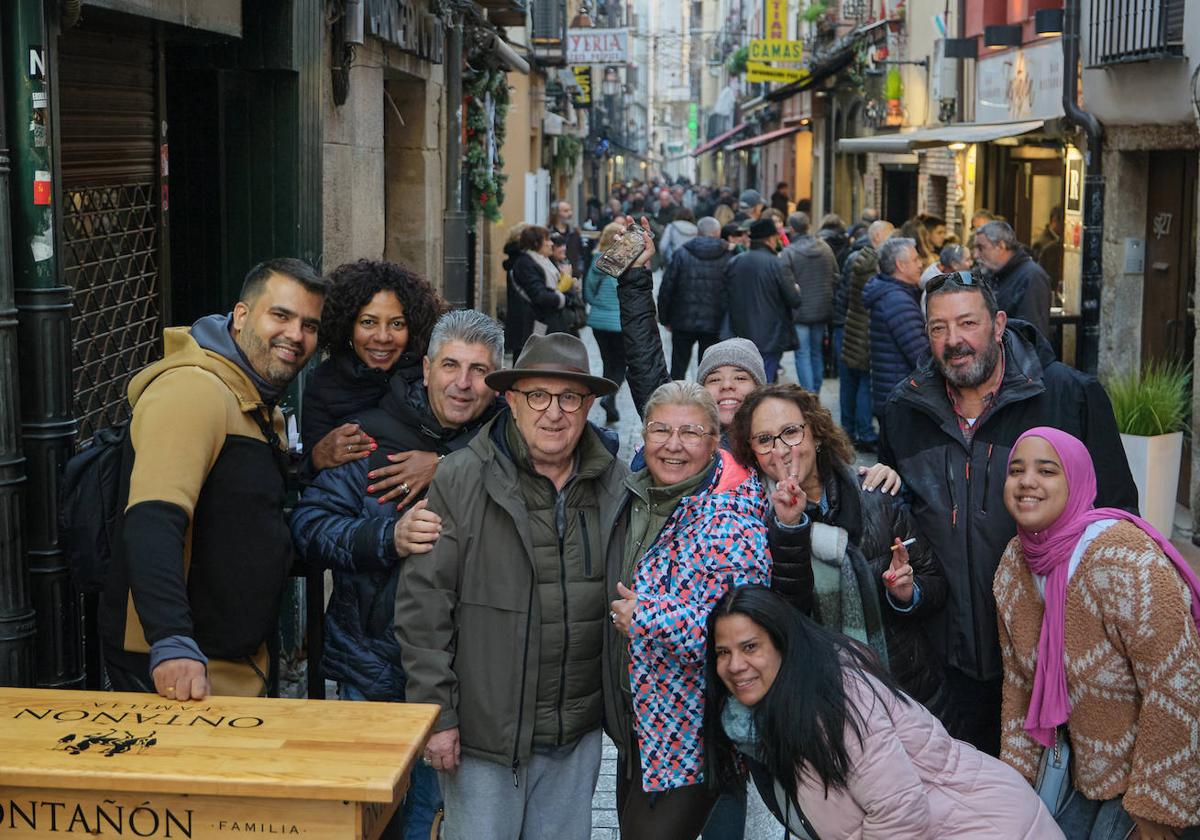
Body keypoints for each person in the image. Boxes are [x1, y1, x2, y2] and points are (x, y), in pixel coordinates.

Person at [879, 272, 1137, 755]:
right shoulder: (904, 409)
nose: (953, 341)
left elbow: (1117, 518)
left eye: (967, 323)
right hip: (949, 661)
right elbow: (903, 522)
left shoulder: (1068, 397)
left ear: (998, 324)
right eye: (938, 328)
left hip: (1050, 659)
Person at [394, 332, 627, 840]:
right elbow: (423, 609)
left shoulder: (615, 483)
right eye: (538, 396)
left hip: (575, 733)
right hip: (484, 738)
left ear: (589, 406)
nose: (554, 413)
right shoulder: (461, 478)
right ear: (513, 402)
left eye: (570, 398)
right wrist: (438, 716)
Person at [290, 310, 505, 840]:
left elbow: (598, 445)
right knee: (368, 823)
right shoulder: (369, 438)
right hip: (373, 668)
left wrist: (448, 460)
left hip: (468, 682)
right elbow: (310, 526)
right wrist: (386, 538)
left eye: (479, 370)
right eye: (451, 365)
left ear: (498, 380)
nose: (462, 382)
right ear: (427, 367)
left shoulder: (512, 441)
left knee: (436, 820)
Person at [100, 258, 327, 700]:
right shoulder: (193, 391)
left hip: (233, 665)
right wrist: (171, 642)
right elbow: (152, 519)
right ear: (241, 317)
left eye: (310, 325)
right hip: (181, 675)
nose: (296, 335)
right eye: (280, 315)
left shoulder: (254, 400)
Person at [703, 585, 1066, 840]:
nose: (735, 665)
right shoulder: (763, 719)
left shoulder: (834, 698)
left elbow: (899, 812)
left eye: (750, 647)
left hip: (986, 827)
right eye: (723, 652)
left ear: (783, 644)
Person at [995, 428, 1200, 839]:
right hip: (1073, 767)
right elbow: (1018, 683)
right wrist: (1010, 786)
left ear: (1077, 481)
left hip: (1145, 775)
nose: (1027, 481)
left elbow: (1178, 678)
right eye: (1016, 470)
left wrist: (1155, 808)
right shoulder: (1015, 565)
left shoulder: (1122, 557)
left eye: (1047, 470)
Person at [606, 381, 771, 839]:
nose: (673, 446)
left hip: (689, 737)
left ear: (715, 442)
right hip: (636, 727)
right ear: (643, 436)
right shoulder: (632, 496)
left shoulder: (731, 520)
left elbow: (747, 634)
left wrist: (648, 616)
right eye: (661, 430)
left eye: (691, 433)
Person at [727, 384, 944, 705]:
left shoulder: (875, 496)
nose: (781, 450)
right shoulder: (749, 523)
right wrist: (789, 528)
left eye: (791, 432)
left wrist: (908, 593)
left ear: (816, 434)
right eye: (764, 440)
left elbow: (935, 583)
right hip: (821, 702)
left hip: (906, 691)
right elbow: (784, 623)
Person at [300, 260, 446, 506]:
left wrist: (442, 462)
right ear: (348, 325)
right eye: (368, 322)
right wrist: (317, 456)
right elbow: (310, 481)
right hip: (359, 518)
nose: (382, 337)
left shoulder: (432, 374)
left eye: (397, 324)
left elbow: (487, 435)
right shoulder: (324, 384)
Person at [723, 218, 801, 383]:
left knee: (746, 380)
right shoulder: (777, 264)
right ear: (770, 239)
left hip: (740, 334)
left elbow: (725, 296)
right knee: (764, 383)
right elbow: (794, 299)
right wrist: (796, 290)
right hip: (770, 336)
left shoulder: (735, 262)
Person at [840, 220, 893, 451]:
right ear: (879, 236)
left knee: (851, 383)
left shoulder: (856, 259)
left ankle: (847, 429)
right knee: (865, 382)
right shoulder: (877, 265)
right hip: (866, 330)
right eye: (891, 235)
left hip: (853, 327)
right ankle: (865, 432)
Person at [862, 237, 929, 420]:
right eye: (915, 259)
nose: (920, 264)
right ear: (901, 265)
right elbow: (921, 356)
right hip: (900, 399)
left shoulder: (893, 294)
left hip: (892, 394)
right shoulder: (897, 301)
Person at [658, 216, 729, 380]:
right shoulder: (727, 255)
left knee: (678, 368)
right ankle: (705, 402)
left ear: (697, 233)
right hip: (714, 322)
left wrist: (664, 318)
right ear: (718, 233)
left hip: (682, 320)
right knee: (709, 370)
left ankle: (677, 400)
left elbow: (667, 287)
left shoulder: (681, 253)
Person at [779, 211, 837, 394]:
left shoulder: (789, 252)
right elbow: (836, 276)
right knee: (816, 352)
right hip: (822, 309)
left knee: (803, 353)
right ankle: (815, 392)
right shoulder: (825, 248)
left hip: (800, 311)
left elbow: (785, 283)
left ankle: (809, 394)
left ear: (792, 228)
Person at [974, 220, 1052, 338]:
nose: (976, 255)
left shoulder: (1032, 277)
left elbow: (1031, 334)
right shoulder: (992, 274)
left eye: (981, 248)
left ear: (1001, 246)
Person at [506, 224, 577, 353]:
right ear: (536, 243)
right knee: (534, 359)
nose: (551, 244)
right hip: (536, 324)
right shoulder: (525, 263)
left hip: (548, 321)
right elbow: (540, 296)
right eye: (547, 240)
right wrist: (563, 298)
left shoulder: (543, 261)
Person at [584, 222, 628, 424]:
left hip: (599, 322)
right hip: (619, 323)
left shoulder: (596, 261)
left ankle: (610, 402)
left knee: (608, 362)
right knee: (621, 364)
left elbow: (588, 291)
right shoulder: (625, 262)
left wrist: (598, 305)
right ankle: (610, 397)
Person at [549, 199, 585, 276]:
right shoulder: (549, 233)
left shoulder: (575, 233)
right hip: (554, 275)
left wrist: (579, 272)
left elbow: (581, 255)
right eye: (565, 211)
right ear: (556, 213)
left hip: (574, 276)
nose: (570, 213)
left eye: (570, 210)